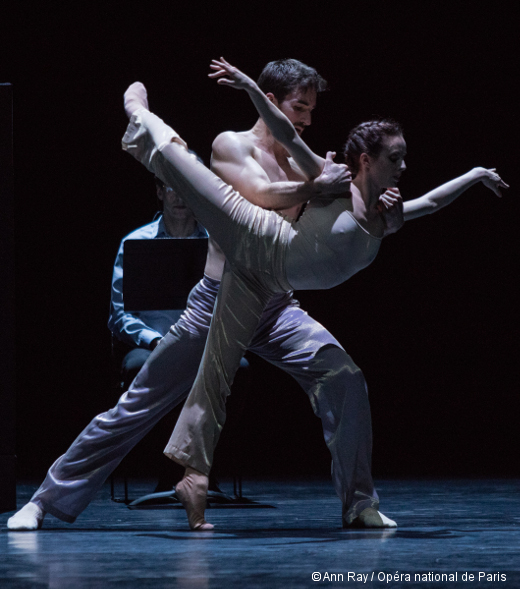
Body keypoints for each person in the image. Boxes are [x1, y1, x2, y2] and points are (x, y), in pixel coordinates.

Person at [119, 59, 507, 531]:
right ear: (365, 160)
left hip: (268, 284)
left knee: (220, 373)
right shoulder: (334, 181)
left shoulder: (388, 215)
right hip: (255, 237)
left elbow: (432, 201)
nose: (404, 168)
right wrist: (247, 86)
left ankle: (195, 477)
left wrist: (473, 175)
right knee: (181, 166)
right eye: (395, 159)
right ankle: (139, 113)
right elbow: (285, 129)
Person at [8, 59, 366, 531]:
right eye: (300, 107)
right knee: (134, 408)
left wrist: (366, 197)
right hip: (216, 303)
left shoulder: (299, 156)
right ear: (272, 102)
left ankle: (359, 503)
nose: (307, 119)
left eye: (312, 110)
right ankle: (44, 501)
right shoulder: (230, 145)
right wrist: (313, 186)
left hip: (275, 306)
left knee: (343, 375)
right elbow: (252, 203)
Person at [109, 176, 207, 391]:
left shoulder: (216, 246)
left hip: (202, 345)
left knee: (239, 368)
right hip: (150, 346)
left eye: (187, 187)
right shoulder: (134, 243)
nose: (180, 196)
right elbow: (119, 315)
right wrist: (155, 341)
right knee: (139, 366)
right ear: (160, 192)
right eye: (173, 187)